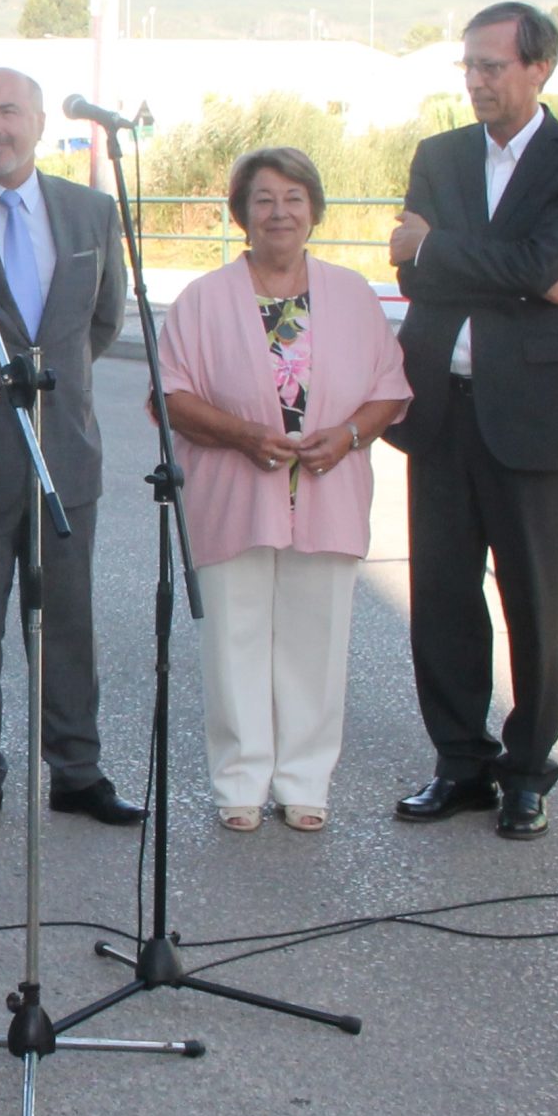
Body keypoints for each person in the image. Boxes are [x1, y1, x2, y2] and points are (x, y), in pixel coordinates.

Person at [385, 1, 558, 840]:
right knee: (441, 596)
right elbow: (416, 283)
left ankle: (526, 773)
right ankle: (460, 762)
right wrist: (527, 278)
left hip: (532, 416)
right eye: (469, 67)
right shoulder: (438, 156)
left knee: (532, 600)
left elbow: (524, 259)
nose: (476, 81)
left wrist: (445, 250)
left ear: (538, 68)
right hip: (441, 411)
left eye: (491, 66)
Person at [0, 69, 142, 835]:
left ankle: (77, 772)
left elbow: (98, 325)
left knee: (69, 624)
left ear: (40, 122)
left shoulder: (91, 212)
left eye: (8, 111)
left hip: (63, 454)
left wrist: (55, 392)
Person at [161, 148, 411, 829]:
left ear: (314, 209)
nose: (280, 212)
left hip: (328, 489)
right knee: (234, 638)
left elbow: (389, 389)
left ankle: (304, 781)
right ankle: (240, 783)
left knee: (316, 637)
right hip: (235, 489)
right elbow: (170, 395)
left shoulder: (351, 294)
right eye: (264, 198)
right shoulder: (204, 299)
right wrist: (243, 435)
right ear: (242, 213)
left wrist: (351, 437)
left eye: (294, 197)